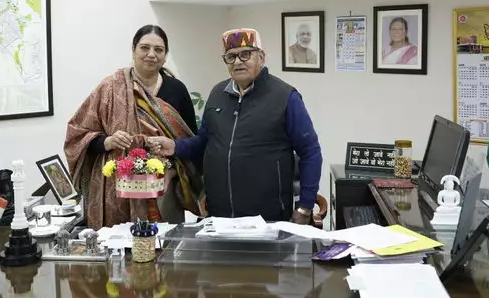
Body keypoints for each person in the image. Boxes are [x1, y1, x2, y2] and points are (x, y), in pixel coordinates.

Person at [149, 28, 322, 224]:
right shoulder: (217, 93)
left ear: (261, 57)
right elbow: (205, 141)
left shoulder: (285, 97)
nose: (238, 61)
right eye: (231, 56)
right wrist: (175, 147)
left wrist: (305, 206)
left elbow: (310, 151)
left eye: (245, 54)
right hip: (219, 215)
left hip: (268, 218)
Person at [64, 25, 202, 228]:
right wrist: (108, 142)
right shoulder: (110, 88)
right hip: (116, 189)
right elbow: (77, 134)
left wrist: (171, 172)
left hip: (164, 187)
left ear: (165, 56)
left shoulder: (176, 89)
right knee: (118, 242)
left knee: (164, 243)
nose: (151, 54)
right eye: (145, 48)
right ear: (133, 50)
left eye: (159, 50)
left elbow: (191, 141)